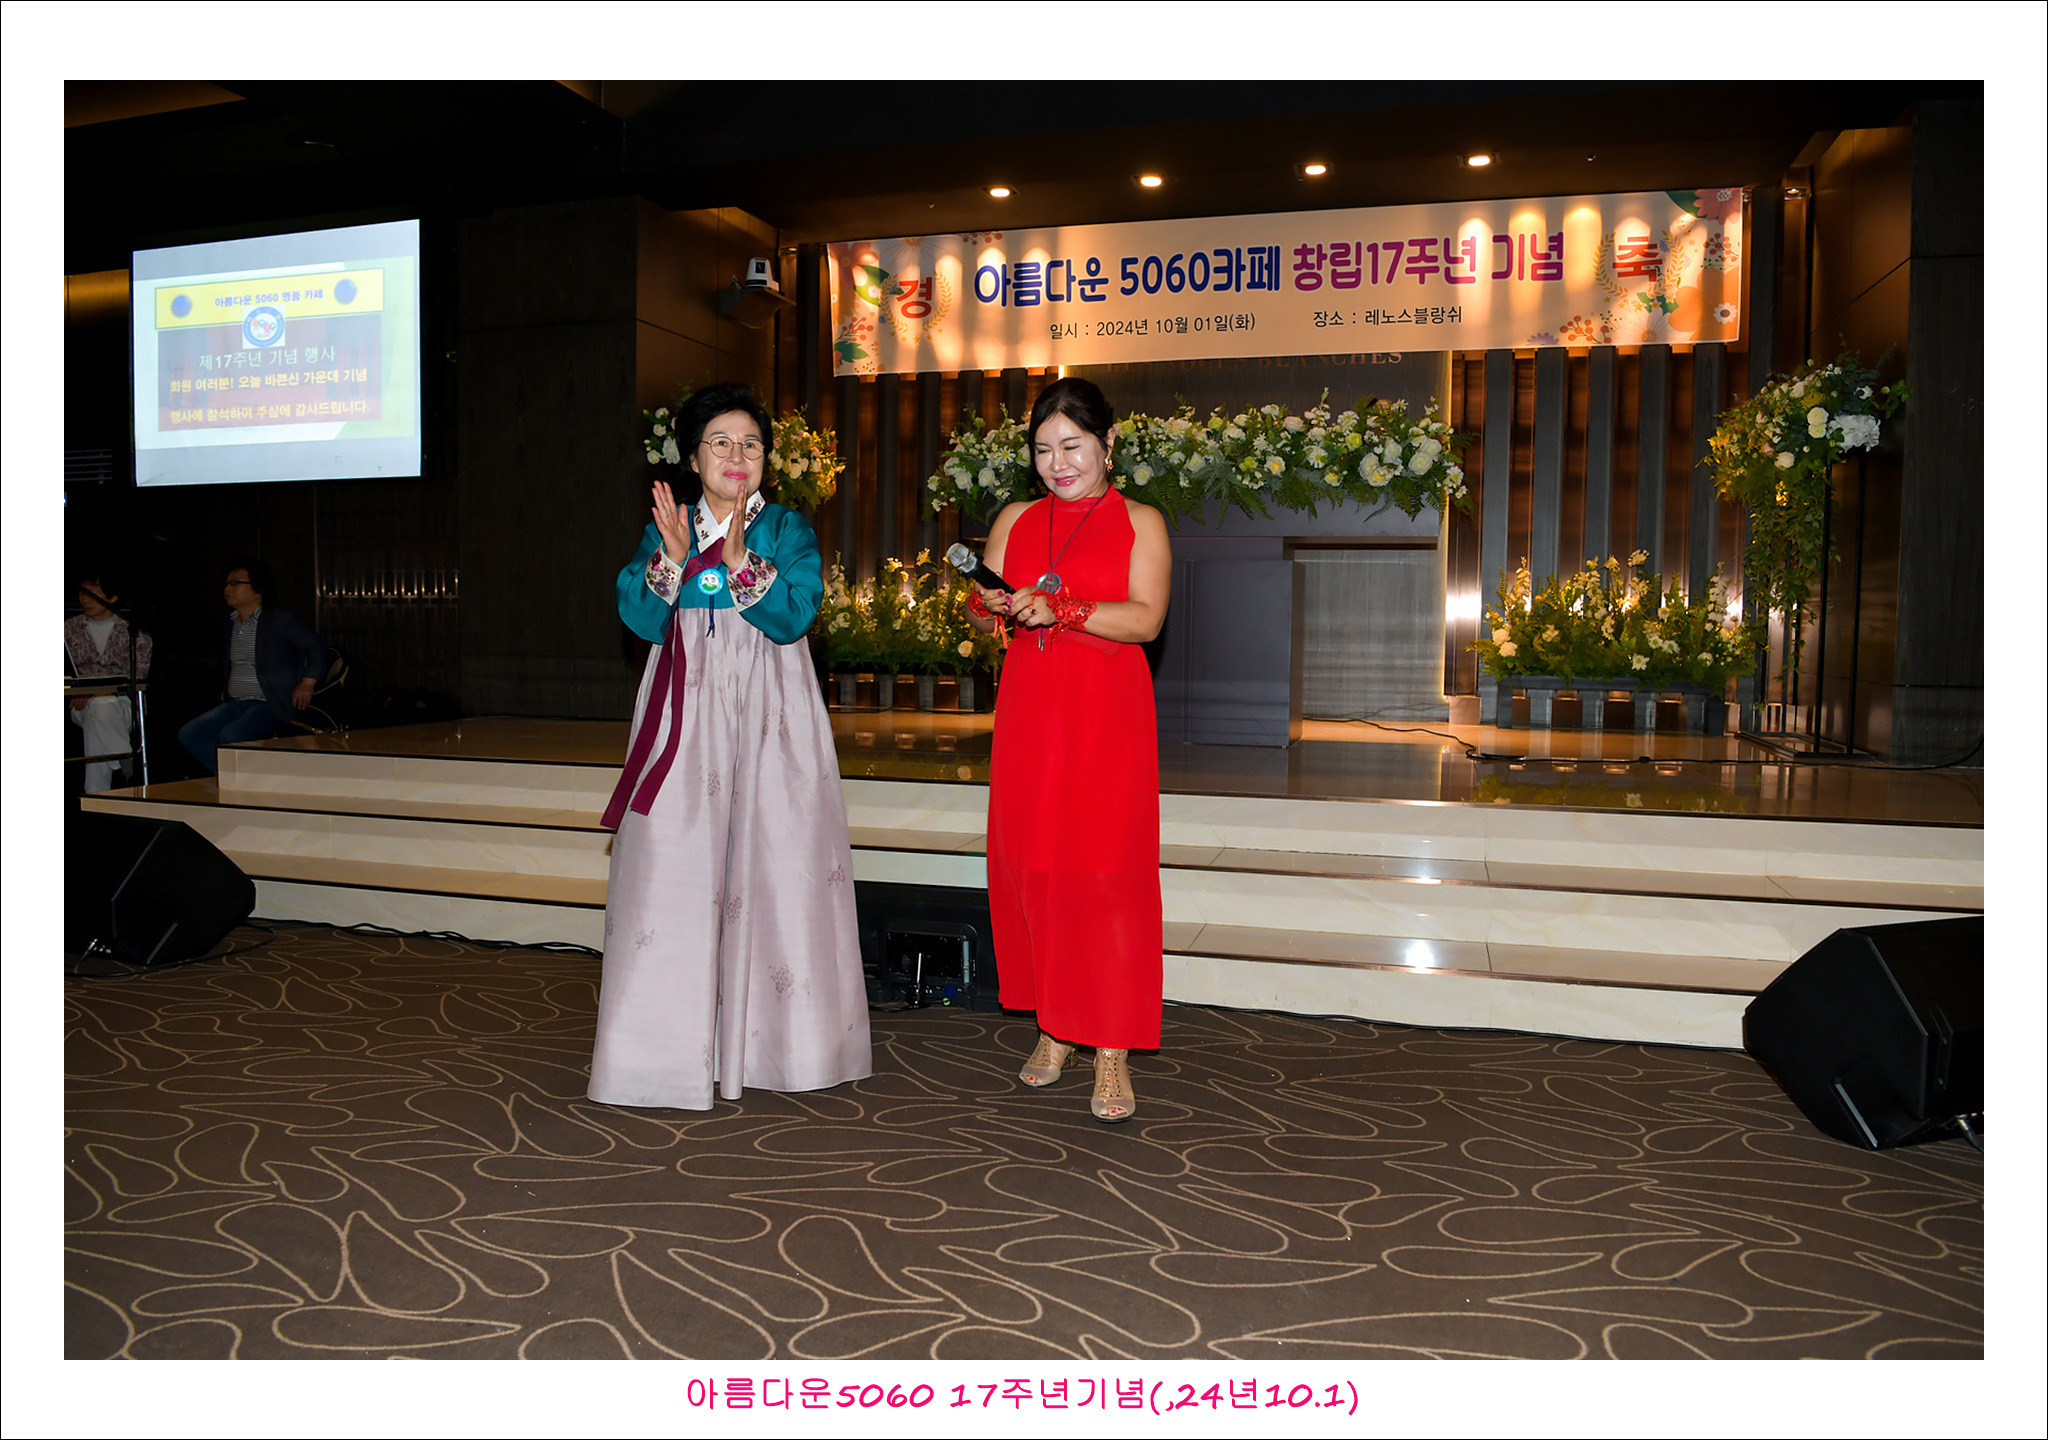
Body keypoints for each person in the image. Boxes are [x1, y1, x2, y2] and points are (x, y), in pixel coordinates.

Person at [589, 382, 872, 1110]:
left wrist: (744, 563)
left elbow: (796, 615)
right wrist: (671, 560)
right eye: (720, 442)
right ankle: (660, 1051)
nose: (736, 455)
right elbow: (639, 618)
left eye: (751, 443)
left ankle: (783, 1046)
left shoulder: (786, 527)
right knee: (670, 864)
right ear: (693, 458)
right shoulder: (669, 526)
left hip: (771, 709)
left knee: (777, 864)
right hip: (683, 705)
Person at [965, 377, 1170, 1122]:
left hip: (1107, 716)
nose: (1058, 464)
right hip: (1033, 712)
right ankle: (1054, 1027)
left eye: (1073, 446)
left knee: (1107, 876)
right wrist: (988, 604)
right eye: (1044, 450)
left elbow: (1145, 620)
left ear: (1108, 444)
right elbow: (985, 615)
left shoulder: (1140, 521)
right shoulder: (1016, 519)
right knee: (1037, 869)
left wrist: (1066, 608)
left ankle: (1110, 1047)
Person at [177, 558, 329, 775]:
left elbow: (317, 648)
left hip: (270, 702)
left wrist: (307, 684)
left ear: (258, 589)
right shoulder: (231, 623)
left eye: (235, 583)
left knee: (230, 736)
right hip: (237, 701)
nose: (228, 589)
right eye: (226, 584)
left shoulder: (280, 621)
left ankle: (241, 778)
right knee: (190, 734)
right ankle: (234, 777)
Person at [66, 572, 154, 792]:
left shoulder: (135, 632)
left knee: (100, 709)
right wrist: (79, 691)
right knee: (99, 707)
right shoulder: (68, 629)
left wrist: (98, 692)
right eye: (81, 593)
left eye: (90, 593)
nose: (84, 600)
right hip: (79, 704)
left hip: (124, 705)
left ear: (112, 596)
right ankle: (128, 762)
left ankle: (96, 794)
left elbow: (138, 679)